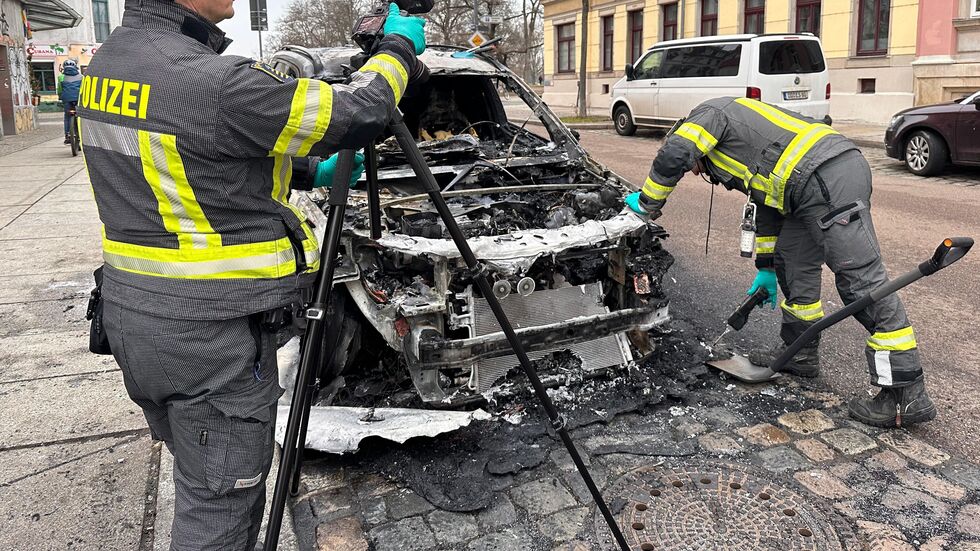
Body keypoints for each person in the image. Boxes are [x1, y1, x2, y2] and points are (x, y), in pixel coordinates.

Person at [77, 0, 425, 547]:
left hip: (135, 319)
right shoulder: (210, 80)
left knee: (202, 471)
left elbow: (199, 153)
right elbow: (359, 111)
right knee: (218, 507)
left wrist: (309, 170)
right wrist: (398, 48)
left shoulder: (113, 62)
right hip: (207, 340)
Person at [625, 97, 935, 429]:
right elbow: (768, 203)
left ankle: (905, 393)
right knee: (793, 260)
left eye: (695, 167)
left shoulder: (707, 116)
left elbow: (674, 154)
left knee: (860, 280)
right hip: (805, 186)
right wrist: (767, 267)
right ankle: (800, 353)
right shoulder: (738, 143)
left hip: (828, 176)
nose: (697, 172)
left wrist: (647, 203)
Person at [57, 59, 82, 144]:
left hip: (67, 99)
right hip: (78, 99)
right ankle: (81, 134)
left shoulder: (61, 77)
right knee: (80, 116)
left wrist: (60, 97)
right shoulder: (81, 76)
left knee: (67, 116)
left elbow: (60, 90)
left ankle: (67, 135)